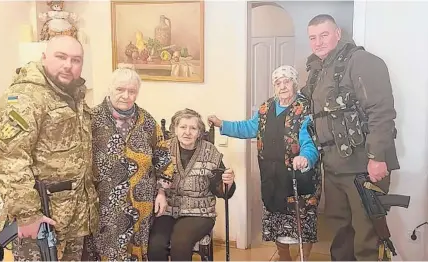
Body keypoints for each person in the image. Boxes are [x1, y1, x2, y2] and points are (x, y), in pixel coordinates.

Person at [301, 14, 400, 261]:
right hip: (333, 166)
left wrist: (377, 157)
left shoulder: (362, 62)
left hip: (361, 167)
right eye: (313, 37)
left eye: (324, 35)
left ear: (337, 34)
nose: (318, 42)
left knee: (366, 236)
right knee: (339, 233)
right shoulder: (317, 71)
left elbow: (381, 111)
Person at [0, 35, 98, 261]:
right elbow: (8, 158)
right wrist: (28, 214)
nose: (68, 65)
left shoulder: (73, 95)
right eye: (61, 57)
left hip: (72, 219)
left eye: (76, 60)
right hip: (40, 221)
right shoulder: (25, 98)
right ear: (44, 57)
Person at [208, 65, 320, 261]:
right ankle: (284, 258)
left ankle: (304, 258)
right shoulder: (266, 108)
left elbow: (310, 141)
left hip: (298, 176)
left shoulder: (305, 109)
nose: (283, 86)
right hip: (271, 175)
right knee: (276, 220)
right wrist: (221, 124)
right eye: (278, 83)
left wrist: (306, 157)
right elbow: (249, 128)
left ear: (295, 84)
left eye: (287, 82)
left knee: (302, 222)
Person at [82, 65, 175, 261]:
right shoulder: (92, 118)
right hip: (103, 203)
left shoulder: (147, 121)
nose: (126, 95)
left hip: (140, 204)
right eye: (120, 89)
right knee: (105, 253)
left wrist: (161, 192)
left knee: (137, 252)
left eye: (132, 91)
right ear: (110, 89)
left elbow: (162, 157)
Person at [147, 108, 236, 261]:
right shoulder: (163, 149)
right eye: (183, 127)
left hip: (199, 212)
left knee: (180, 243)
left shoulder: (210, 152)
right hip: (167, 210)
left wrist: (228, 182)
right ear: (175, 129)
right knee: (155, 244)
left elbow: (221, 190)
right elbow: (152, 178)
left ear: (199, 132)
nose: (187, 132)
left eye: (193, 128)